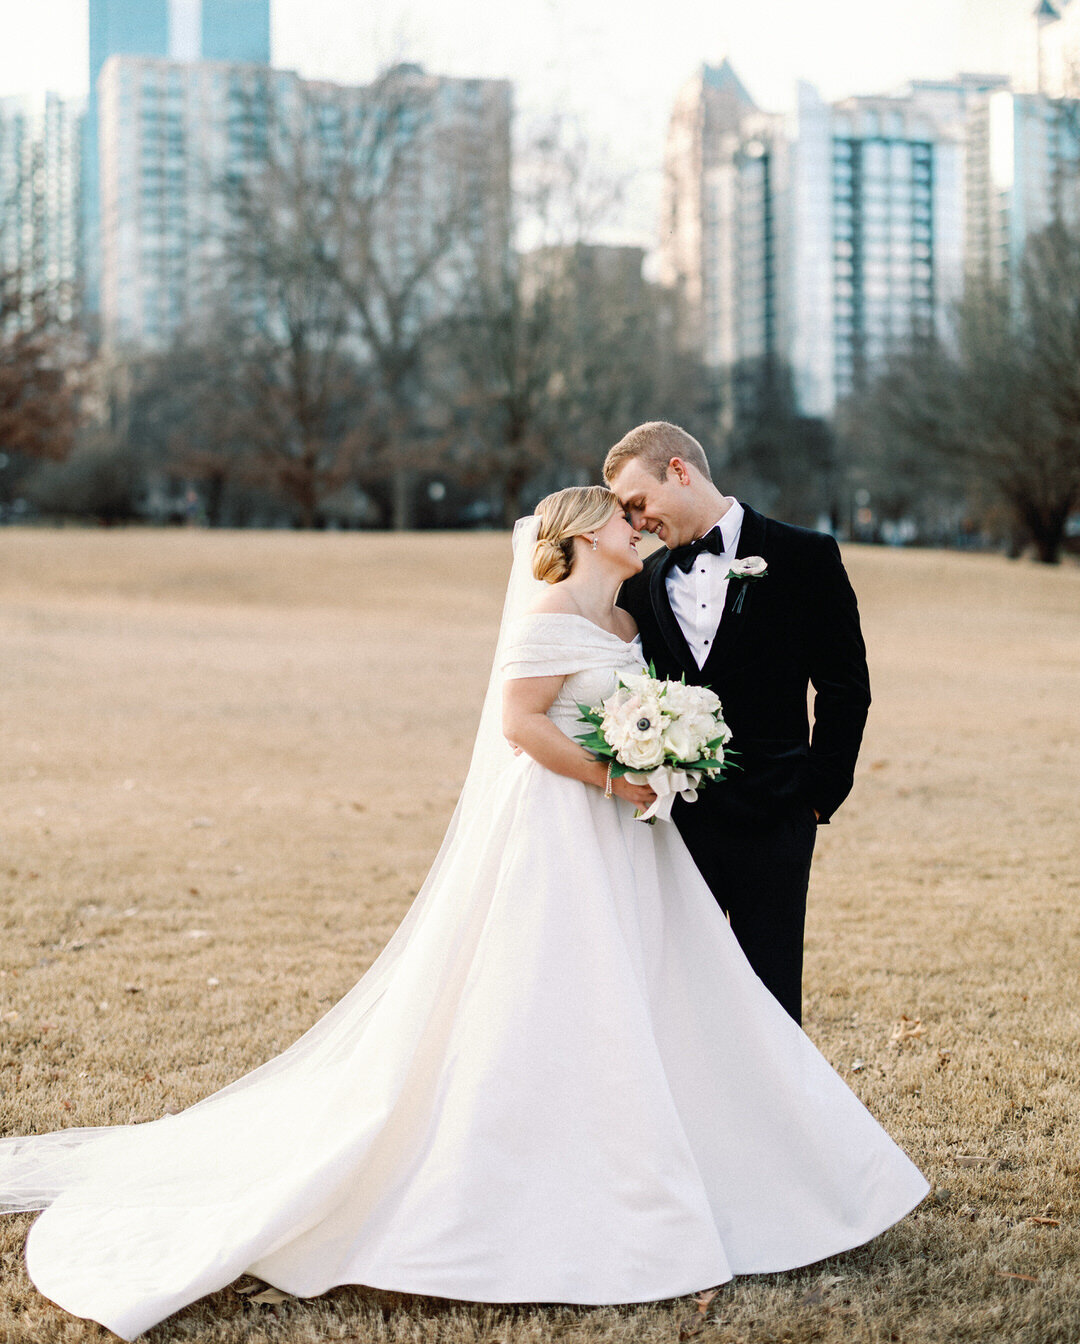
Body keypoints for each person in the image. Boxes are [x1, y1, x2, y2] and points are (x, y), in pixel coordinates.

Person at [0, 487, 925, 1342]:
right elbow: (523, 728)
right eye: (621, 516)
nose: (637, 524)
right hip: (562, 831)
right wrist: (618, 774)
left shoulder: (623, 618)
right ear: (580, 535)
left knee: (649, 995)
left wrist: (661, 763)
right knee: (548, 994)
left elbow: (656, 701)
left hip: (629, 837)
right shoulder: (547, 618)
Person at [605, 421, 872, 1025]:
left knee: (772, 1002)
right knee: (679, 1001)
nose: (636, 524)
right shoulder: (638, 588)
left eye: (638, 504)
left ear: (679, 470)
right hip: (676, 827)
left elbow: (844, 686)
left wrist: (816, 796)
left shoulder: (805, 555)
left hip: (777, 816)